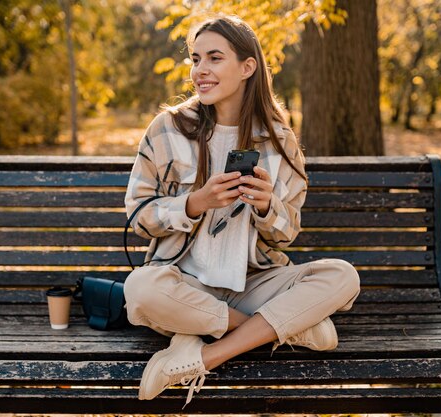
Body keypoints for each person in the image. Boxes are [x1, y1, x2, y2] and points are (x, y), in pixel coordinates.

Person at [123, 15, 360, 407]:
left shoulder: (279, 140)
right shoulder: (167, 128)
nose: (200, 70)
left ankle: (201, 355)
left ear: (247, 67)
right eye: (195, 59)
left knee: (342, 276)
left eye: (214, 58)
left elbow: (287, 234)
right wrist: (193, 203)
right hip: (186, 284)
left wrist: (268, 206)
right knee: (140, 290)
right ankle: (279, 329)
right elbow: (138, 214)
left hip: (254, 284)